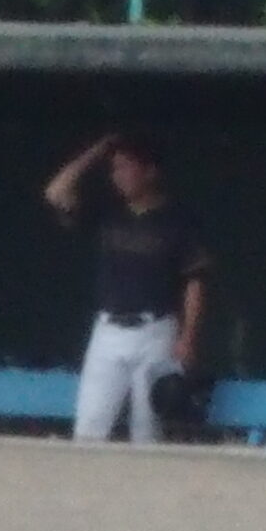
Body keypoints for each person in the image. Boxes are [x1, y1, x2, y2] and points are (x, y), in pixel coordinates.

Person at [43, 131, 214, 443]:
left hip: (156, 330)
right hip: (108, 330)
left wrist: (188, 337)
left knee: (147, 431)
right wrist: (97, 150)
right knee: (89, 428)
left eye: (125, 167)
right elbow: (55, 192)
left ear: (150, 172)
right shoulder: (107, 213)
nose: (117, 176)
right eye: (114, 169)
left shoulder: (177, 221)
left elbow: (195, 281)